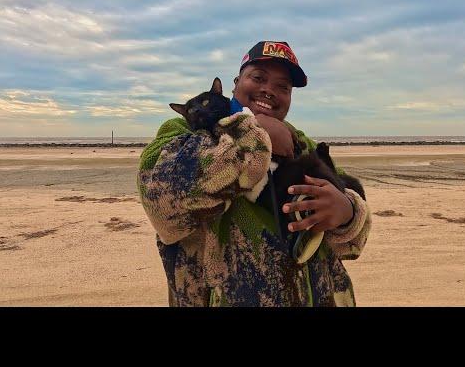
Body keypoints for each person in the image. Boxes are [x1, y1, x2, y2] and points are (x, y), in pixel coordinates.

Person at [137, 40, 371, 306]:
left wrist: (347, 213)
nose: (269, 90)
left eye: (283, 87)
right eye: (258, 77)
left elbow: (352, 245)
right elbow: (162, 202)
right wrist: (256, 132)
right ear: (236, 83)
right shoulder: (182, 132)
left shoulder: (302, 144)